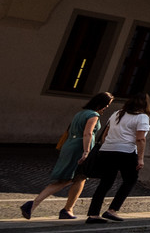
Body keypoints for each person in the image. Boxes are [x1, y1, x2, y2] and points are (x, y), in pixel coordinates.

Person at [20, 91, 112, 220]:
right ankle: (33, 204)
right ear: (100, 103)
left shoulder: (80, 113)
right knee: (66, 179)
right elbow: (88, 134)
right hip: (79, 149)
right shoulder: (93, 115)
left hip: (69, 146)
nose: (106, 107)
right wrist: (86, 152)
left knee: (80, 178)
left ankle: (68, 209)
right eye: (107, 104)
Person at [85, 93, 150, 223]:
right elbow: (140, 139)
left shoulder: (117, 113)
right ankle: (112, 209)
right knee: (130, 180)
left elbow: (105, 134)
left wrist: (108, 146)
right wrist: (140, 158)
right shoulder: (142, 117)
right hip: (126, 151)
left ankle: (93, 214)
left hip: (107, 150)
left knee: (105, 182)